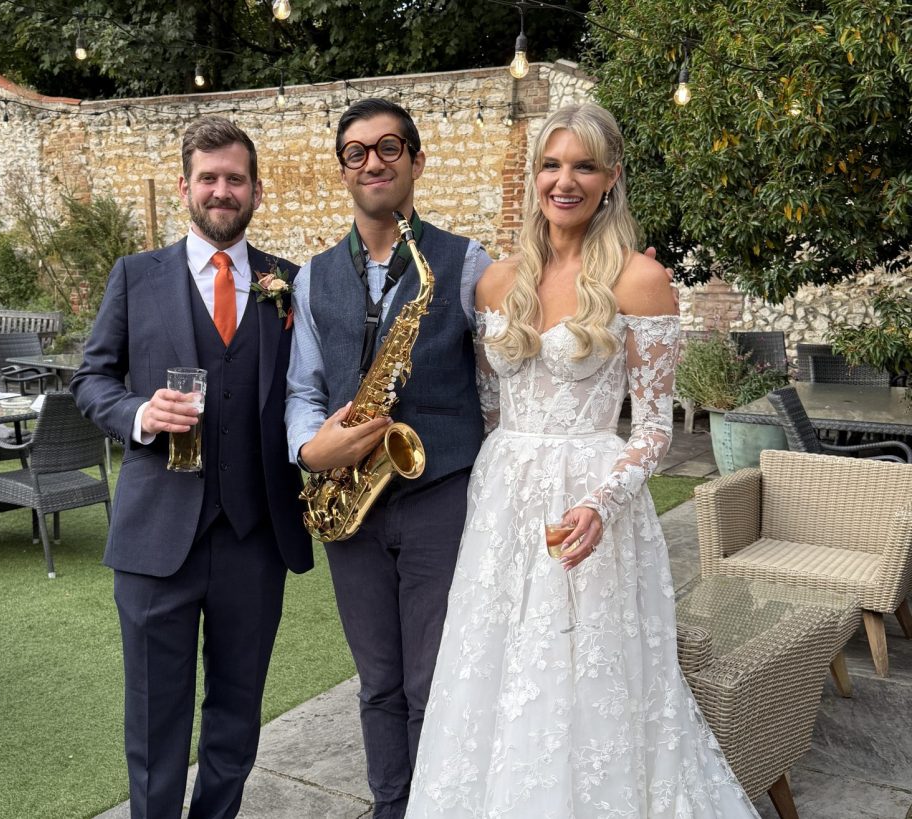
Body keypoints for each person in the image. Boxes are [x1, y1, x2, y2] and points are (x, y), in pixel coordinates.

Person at [405, 103, 759, 817]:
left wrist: (604, 501)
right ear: (534, 174)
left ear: (611, 179)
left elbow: (656, 428)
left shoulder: (640, 280)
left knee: (584, 673)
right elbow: (491, 407)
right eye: (552, 163)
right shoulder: (494, 281)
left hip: (594, 501)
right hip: (503, 497)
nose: (564, 180)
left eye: (584, 166)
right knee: (493, 665)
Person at [70, 115, 312, 819]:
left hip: (255, 534)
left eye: (235, 178)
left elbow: (306, 392)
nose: (221, 190)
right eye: (208, 177)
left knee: (237, 711)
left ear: (256, 190)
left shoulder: (285, 283)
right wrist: (140, 416)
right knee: (154, 716)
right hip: (156, 539)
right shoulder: (134, 276)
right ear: (184, 186)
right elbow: (91, 380)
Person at [284, 98, 493, 818]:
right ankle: (390, 805)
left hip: (438, 494)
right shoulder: (312, 278)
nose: (373, 161)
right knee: (376, 679)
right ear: (343, 169)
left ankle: (441, 804)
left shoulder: (466, 264)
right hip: (351, 500)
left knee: (433, 678)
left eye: (389, 147)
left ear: (416, 160)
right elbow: (301, 391)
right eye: (356, 151)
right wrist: (312, 446)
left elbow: (505, 383)